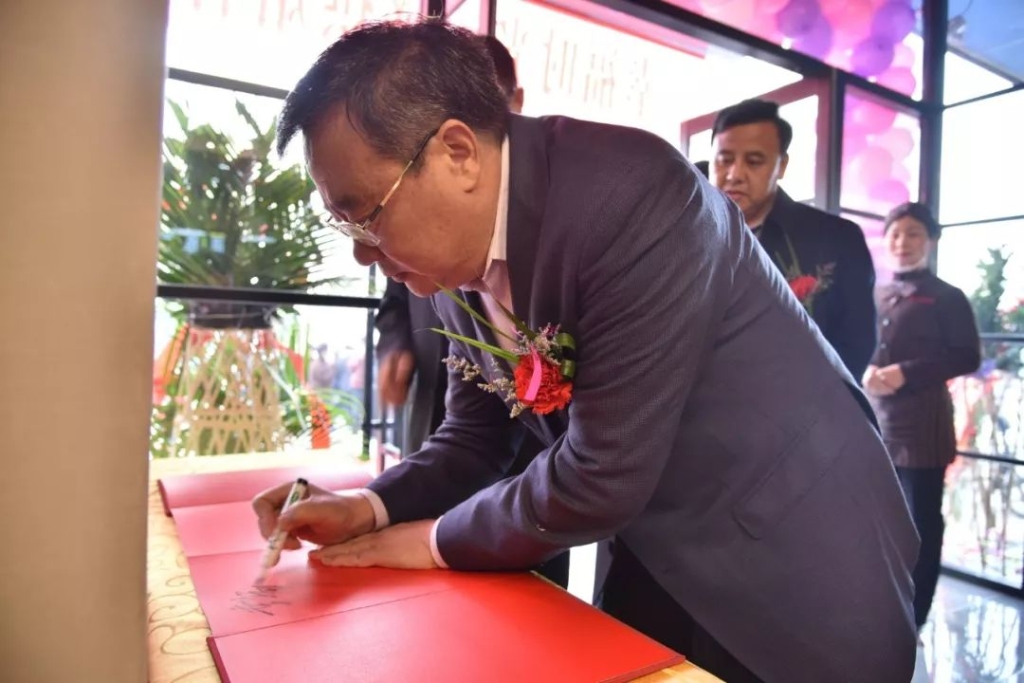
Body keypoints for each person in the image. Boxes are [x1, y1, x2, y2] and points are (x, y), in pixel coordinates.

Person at [254, 19, 918, 682]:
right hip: (655, 545)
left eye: (366, 214)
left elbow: (601, 474)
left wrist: (429, 541)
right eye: (343, 223)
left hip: (793, 544)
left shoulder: (632, 195)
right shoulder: (444, 265)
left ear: (457, 152)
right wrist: (367, 507)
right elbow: (473, 439)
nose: (362, 253)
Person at [863, 202, 980, 631]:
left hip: (922, 429)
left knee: (921, 525)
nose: (903, 242)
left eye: (913, 233)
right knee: (878, 523)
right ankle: (879, 609)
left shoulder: (948, 296)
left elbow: (967, 356)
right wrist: (865, 368)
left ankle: (915, 618)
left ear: (930, 240)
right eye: (895, 234)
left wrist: (905, 372)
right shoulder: (876, 291)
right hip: (876, 424)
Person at [711, 99, 877, 380]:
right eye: (724, 160)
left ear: (781, 165)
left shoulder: (835, 238)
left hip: (800, 401)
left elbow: (855, 345)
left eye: (754, 161)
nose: (735, 174)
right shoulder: (688, 234)